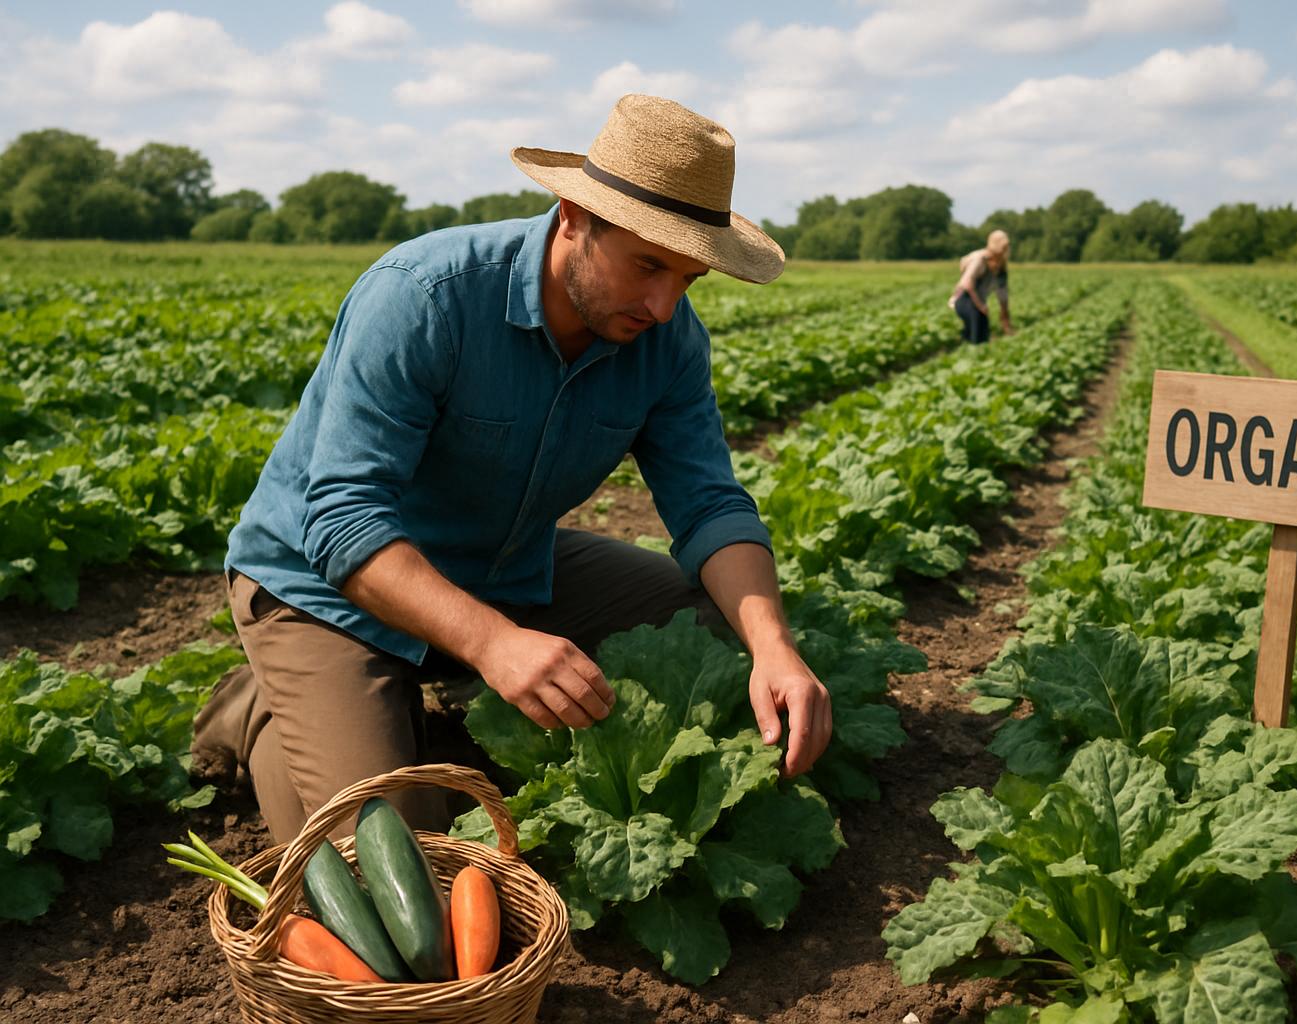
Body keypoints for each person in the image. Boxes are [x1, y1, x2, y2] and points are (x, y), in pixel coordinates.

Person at [190, 94, 834, 844]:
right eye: (648, 265)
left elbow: (710, 503)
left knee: (718, 626)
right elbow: (342, 521)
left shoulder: (668, 341)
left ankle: (402, 696)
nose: (663, 305)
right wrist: (495, 644)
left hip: (499, 562)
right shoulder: (426, 296)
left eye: (689, 279)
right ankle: (266, 704)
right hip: (325, 585)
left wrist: (774, 649)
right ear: (572, 218)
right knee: (396, 857)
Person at [949, 229, 1014, 343]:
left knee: (983, 333)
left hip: (977, 302)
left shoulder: (1001, 265)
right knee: (976, 335)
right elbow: (967, 284)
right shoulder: (980, 260)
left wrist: (1005, 318)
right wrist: (981, 306)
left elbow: (1002, 293)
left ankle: (967, 343)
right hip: (965, 301)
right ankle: (967, 348)